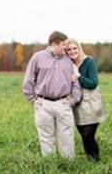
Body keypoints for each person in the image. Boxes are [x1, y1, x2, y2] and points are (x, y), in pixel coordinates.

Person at [22, 31, 82, 159]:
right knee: (46, 137)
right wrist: (32, 99)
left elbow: (75, 81)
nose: (66, 48)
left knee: (66, 136)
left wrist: (73, 100)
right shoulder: (37, 57)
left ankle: (68, 165)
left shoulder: (68, 60)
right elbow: (29, 79)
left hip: (64, 103)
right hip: (43, 104)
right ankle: (50, 165)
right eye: (63, 45)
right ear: (54, 44)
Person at [66, 38, 107, 162]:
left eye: (74, 48)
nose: (72, 51)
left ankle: (95, 160)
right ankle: (90, 159)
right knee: (84, 135)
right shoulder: (68, 64)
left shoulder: (88, 62)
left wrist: (78, 76)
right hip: (77, 103)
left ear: (79, 48)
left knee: (88, 135)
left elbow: (93, 83)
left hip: (91, 103)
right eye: (69, 49)